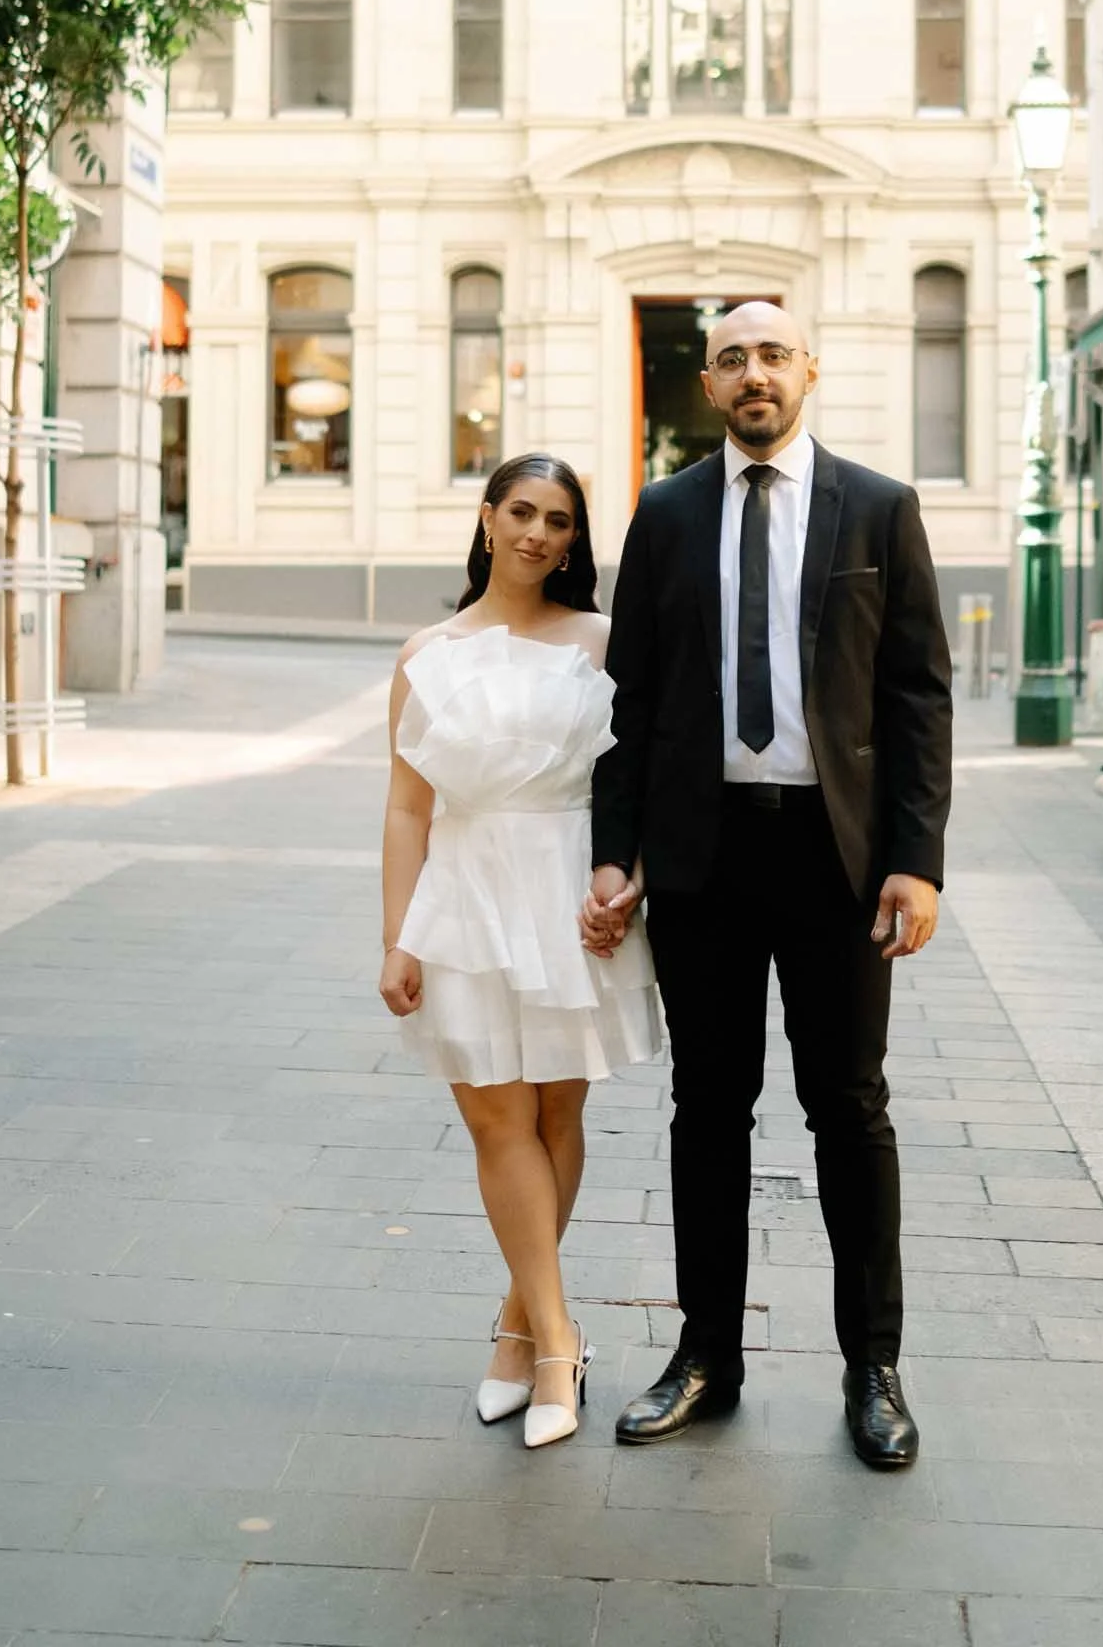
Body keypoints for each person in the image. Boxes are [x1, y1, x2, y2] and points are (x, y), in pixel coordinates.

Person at [587, 304, 954, 1469]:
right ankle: (707, 1357)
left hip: (834, 858)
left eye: (773, 355)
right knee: (710, 1110)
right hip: (703, 857)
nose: (755, 375)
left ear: (809, 372)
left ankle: (873, 1368)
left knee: (849, 1109)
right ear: (710, 384)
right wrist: (618, 849)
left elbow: (916, 698)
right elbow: (631, 704)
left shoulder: (879, 509)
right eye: (734, 358)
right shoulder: (665, 511)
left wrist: (917, 858)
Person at [379, 453, 662, 1450]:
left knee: (552, 1109)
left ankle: (519, 1329)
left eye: (559, 521)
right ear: (488, 519)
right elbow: (408, 808)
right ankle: (556, 1340)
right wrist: (395, 940)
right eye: (522, 512)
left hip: (565, 883)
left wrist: (625, 881)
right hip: (463, 891)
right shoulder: (425, 652)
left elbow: (634, 788)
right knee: (495, 1115)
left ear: (574, 540)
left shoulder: (603, 641)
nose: (539, 533)